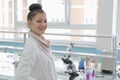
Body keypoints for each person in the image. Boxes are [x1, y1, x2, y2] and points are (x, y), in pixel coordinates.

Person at [15, 3, 57, 80]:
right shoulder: (32, 46)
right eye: (39, 21)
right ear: (29, 23)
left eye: (45, 21)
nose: (43, 24)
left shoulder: (43, 43)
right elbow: (21, 76)